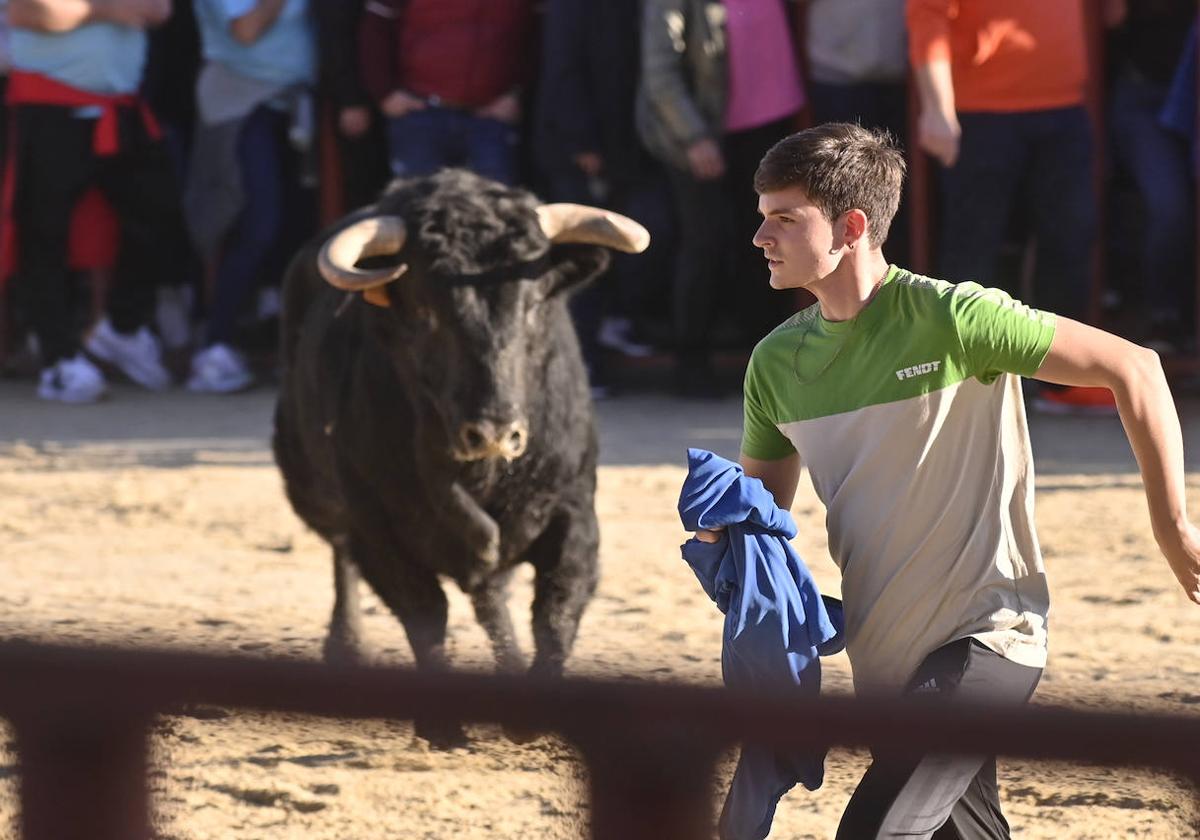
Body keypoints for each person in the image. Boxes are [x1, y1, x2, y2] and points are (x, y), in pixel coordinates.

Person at [696, 123, 1200, 837]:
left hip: (989, 639)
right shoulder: (775, 364)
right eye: (761, 217)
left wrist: (1171, 525)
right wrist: (726, 537)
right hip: (885, 665)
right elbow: (763, 523)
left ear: (852, 226)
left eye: (783, 218)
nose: (760, 237)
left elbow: (1136, 368)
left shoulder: (956, 318)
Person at [907, 0, 1113, 414]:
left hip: (1064, 105)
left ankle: (1061, 382)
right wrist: (937, 107)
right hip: (981, 111)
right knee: (974, 250)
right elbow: (926, 17)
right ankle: (962, 377)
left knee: (1070, 238)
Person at [6, 0, 184, 402]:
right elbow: (28, 13)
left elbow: (158, 11)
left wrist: (82, 10)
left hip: (120, 105)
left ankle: (122, 328)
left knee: (158, 214)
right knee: (43, 233)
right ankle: (57, 359)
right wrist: (109, 10)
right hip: (49, 105)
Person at [637, 0, 805, 398]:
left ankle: (766, 364)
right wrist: (694, 137)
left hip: (772, 124)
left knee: (768, 243)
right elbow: (660, 74)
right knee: (706, 243)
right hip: (703, 133)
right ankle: (691, 363)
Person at [184, 0, 317, 393]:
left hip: (294, 105)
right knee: (252, 223)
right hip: (239, 104)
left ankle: (279, 345)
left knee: (294, 227)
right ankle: (213, 344)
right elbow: (245, 29)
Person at [358, 0, 534, 186]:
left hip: (492, 118)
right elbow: (376, 29)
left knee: (496, 206)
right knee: (418, 204)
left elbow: (541, 33)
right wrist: (385, 92)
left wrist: (518, 95)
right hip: (421, 114)